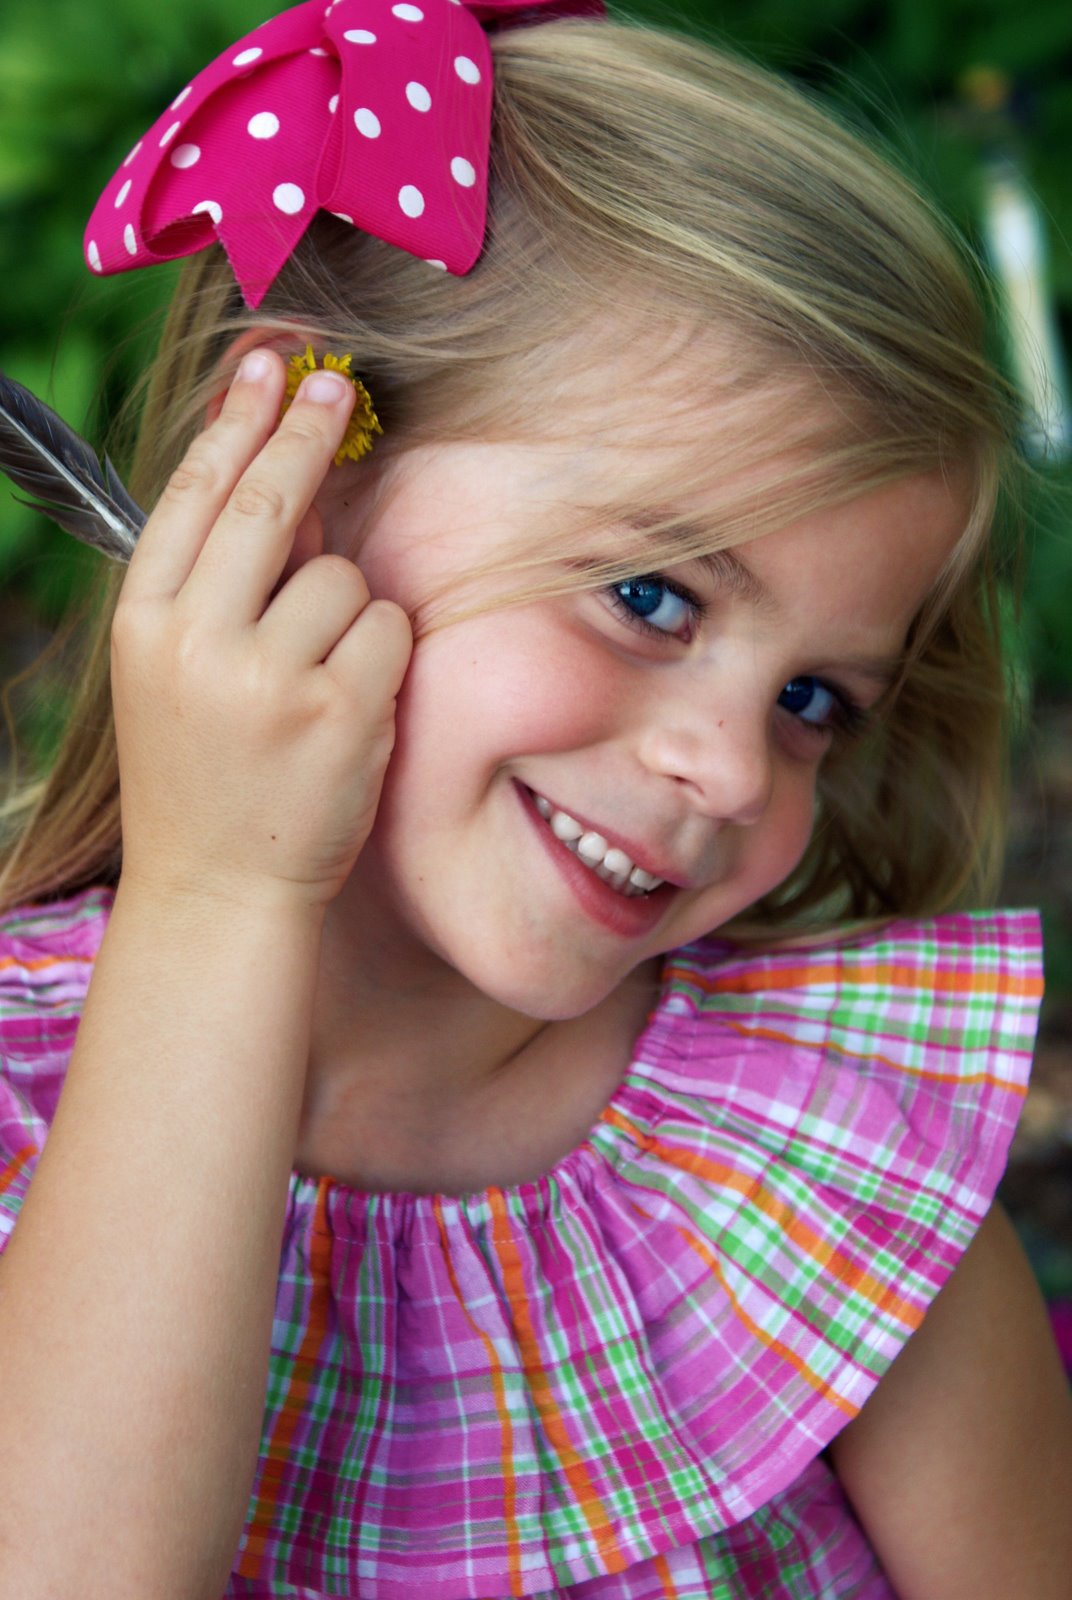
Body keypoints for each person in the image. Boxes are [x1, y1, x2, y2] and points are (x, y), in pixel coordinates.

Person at [0, 0, 1070, 1595]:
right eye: (651, 597)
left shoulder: (819, 1177)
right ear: (288, 467)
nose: (728, 768)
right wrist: (222, 895)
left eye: (812, 703)